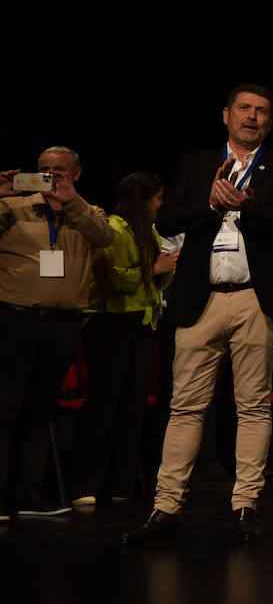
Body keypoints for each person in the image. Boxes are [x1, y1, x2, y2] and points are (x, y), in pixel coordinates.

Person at [125, 85, 273, 543]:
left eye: (262, 111)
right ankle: (166, 507)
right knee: (185, 405)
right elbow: (165, 223)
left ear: (270, 121)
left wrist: (250, 208)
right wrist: (210, 203)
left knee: (252, 406)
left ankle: (246, 505)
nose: (252, 117)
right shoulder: (194, 163)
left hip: (254, 297)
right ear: (226, 115)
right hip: (200, 298)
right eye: (244, 109)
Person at [0, 147, 114, 518]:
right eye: (44, 171)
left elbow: (106, 238)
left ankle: (29, 493)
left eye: (60, 171)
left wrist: (73, 202)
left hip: (64, 323)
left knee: (41, 410)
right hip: (16, 319)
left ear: (77, 174)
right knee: (5, 408)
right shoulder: (12, 207)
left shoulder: (88, 212)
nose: (51, 177)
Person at [71, 173, 178, 505]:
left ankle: (120, 486)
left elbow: (159, 281)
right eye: (158, 199)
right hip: (110, 324)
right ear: (143, 201)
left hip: (142, 324)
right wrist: (154, 270)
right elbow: (116, 280)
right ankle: (86, 485)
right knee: (106, 404)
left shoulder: (150, 233)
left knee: (133, 407)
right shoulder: (114, 230)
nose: (161, 206)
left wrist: (164, 271)